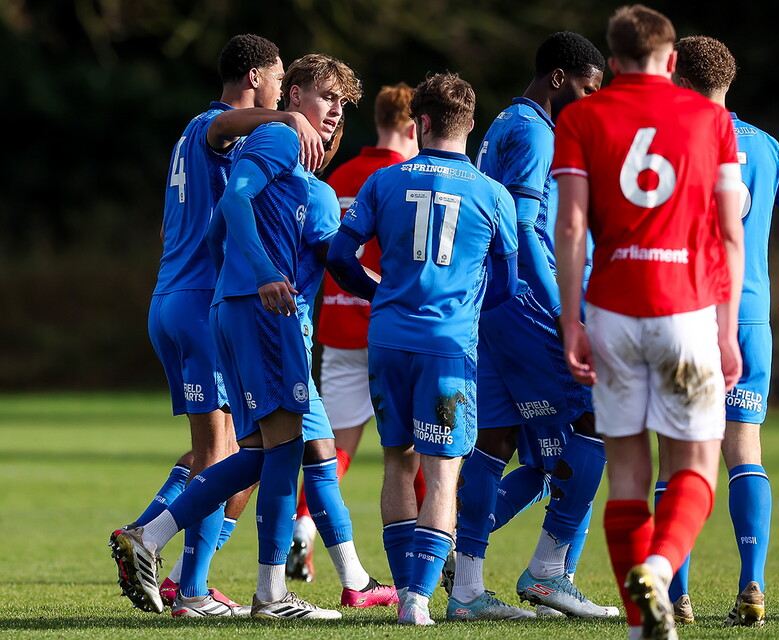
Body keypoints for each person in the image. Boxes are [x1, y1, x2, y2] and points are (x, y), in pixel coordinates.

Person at [110, 52, 356, 620]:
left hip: (176, 294)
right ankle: (167, 559)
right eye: (277, 78)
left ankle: (176, 569)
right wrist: (282, 121)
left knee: (229, 449)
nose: (281, 92)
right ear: (258, 78)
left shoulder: (199, 143)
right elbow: (227, 154)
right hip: (207, 300)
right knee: (236, 450)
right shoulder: (221, 127)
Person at [552, 6, 745, 640]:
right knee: (696, 468)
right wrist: (726, 326)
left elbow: (572, 226)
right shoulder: (713, 120)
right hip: (686, 311)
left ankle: (642, 627)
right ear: (670, 61)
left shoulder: (581, 116)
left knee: (629, 475)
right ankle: (659, 571)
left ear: (611, 64)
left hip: (611, 311)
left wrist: (571, 319)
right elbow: (730, 233)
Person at [326, 71, 519, 626]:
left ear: (422, 123)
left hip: (386, 340)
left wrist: (380, 291)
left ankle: (409, 590)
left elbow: (340, 256)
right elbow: (506, 283)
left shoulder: (384, 182)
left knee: (396, 461)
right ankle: (417, 601)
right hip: (447, 345)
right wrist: (470, 311)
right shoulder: (492, 193)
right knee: (443, 471)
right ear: (470, 126)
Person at [447, 31, 615, 621]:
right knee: (599, 414)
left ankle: (465, 585)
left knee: (500, 440)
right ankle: (548, 572)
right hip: (526, 308)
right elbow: (523, 229)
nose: (591, 101)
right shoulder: (536, 132)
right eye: (588, 89)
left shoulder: (504, 125)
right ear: (558, 78)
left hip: (492, 308)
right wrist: (565, 313)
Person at [665, 35, 779, 627]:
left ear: (677, 77)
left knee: (677, 460)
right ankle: (752, 588)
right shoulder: (766, 148)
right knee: (744, 453)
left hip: (683, 315)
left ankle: (675, 596)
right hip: (749, 319)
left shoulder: (667, 143)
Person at [287, 82, 420, 584]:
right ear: (413, 127)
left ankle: (303, 530)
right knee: (418, 445)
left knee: (332, 447)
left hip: (336, 326)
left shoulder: (339, 173)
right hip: (389, 322)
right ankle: (436, 559)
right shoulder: (403, 178)